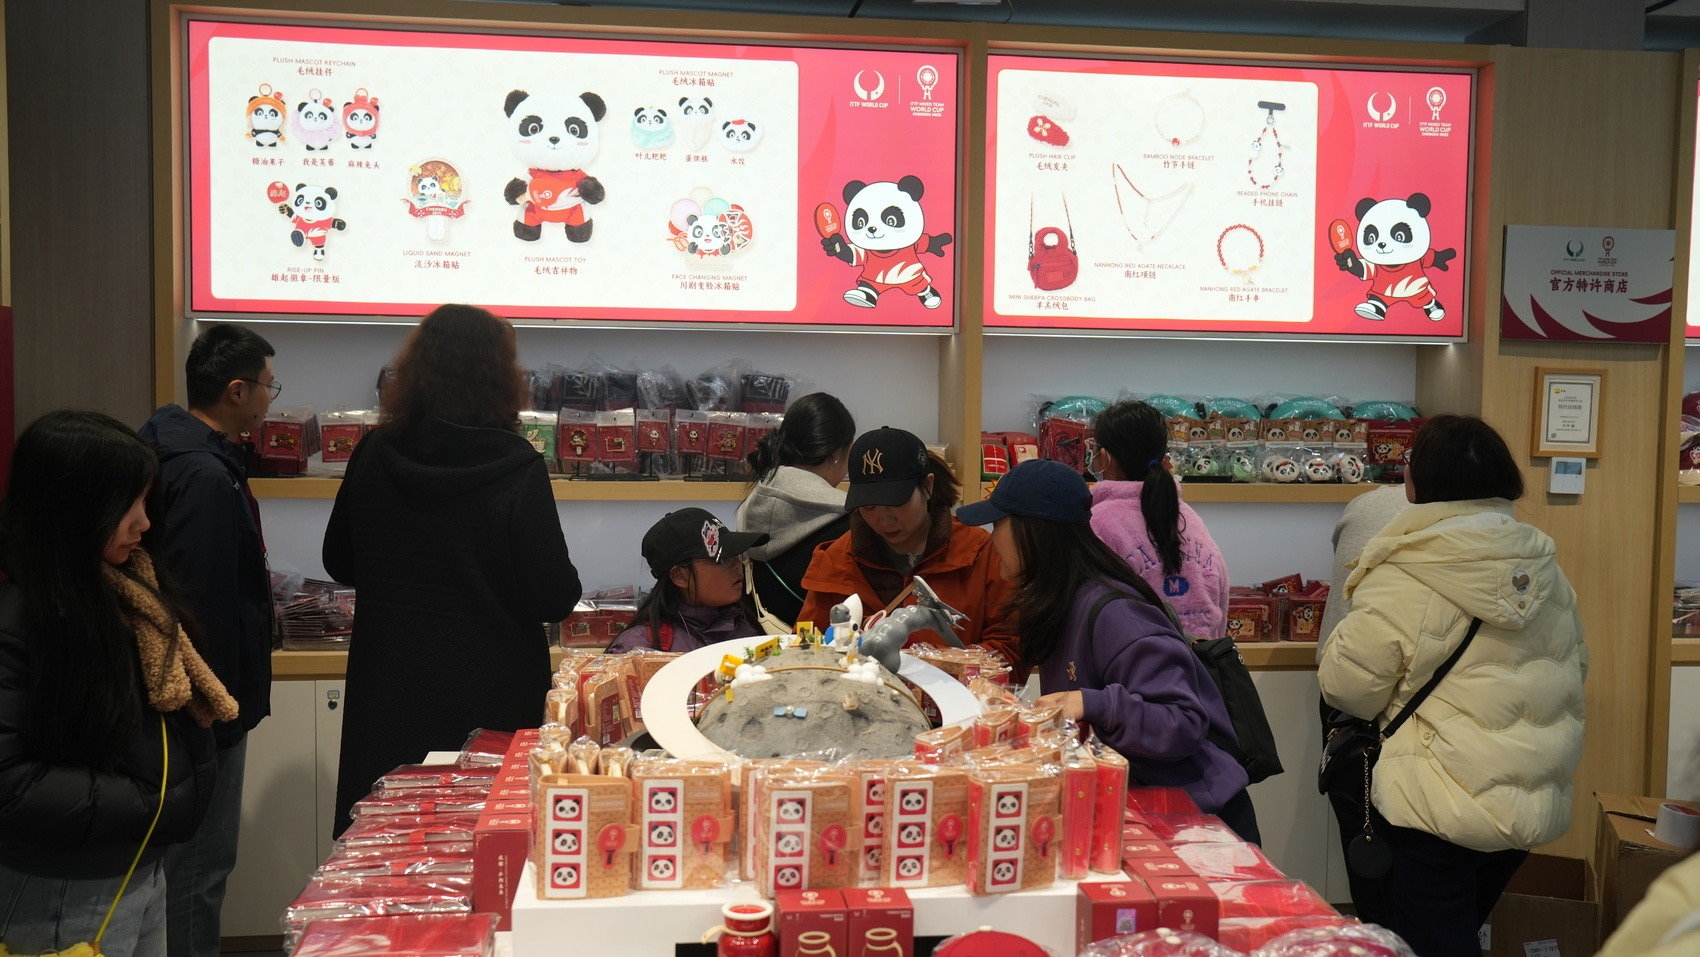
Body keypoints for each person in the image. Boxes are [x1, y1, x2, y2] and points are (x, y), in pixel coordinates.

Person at [1318, 415, 1587, 957]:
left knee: (1424, 940)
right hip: (1525, 800)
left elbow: (1348, 688)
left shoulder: (1405, 568)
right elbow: (1573, 671)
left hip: (1433, 804)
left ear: (1419, 481)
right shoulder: (1546, 570)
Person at [324, 304, 581, 835]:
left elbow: (339, 560)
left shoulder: (374, 452)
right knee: (483, 850)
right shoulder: (516, 464)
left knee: (389, 851)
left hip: (389, 690)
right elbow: (553, 596)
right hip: (492, 694)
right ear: (500, 377)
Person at [0, 411, 236, 957]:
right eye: (127, 505)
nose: (144, 523)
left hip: (139, 870)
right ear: (75, 508)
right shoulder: (25, 617)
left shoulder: (125, 592)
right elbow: (10, 784)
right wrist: (148, 802)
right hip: (62, 887)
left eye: (145, 501)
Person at [959, 458, 1258, 842]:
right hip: (1144, 813)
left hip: (1200, 824)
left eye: (998, 524)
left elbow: (1183, 721)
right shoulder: (1062, 602)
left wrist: (1091, 702)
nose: (991, 539)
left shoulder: (1114, 614)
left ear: (1032, 531)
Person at [137, 322, 277, 957]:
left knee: (190, 869)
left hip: (190, 697)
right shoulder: (203, 475)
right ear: (237, 390)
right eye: (269, 387)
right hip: (204, 705)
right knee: (199, 871)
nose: (271, 400)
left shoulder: (178, 450)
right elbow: (203, 604)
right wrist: (216, 705)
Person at [796, 427, 1019, 670]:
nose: (884, 520)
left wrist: (931, 668)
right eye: (869, 507)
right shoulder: (835, 560)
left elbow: (1010, 650)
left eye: (897, 502)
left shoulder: (979, 553)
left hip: (957, 694)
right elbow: (805, 650)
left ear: (928, 486)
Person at [1312, 481, 1409, 926]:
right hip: (1436, 712)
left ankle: (1377, 933)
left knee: (1367, 842)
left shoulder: (1369, 506)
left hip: (1354, 700)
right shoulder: (1512, 536)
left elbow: (1348, 682)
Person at [1089, 400, 1230, 639]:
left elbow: (1084, 613)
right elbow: (1221, 601)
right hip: (1201, 660)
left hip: (1130, 661)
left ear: (1104, 457)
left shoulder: (1097, 522)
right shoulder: (1189, 517)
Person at [737, 393, 857, 629]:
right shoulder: (850, 519)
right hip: (820, 645)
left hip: (756, 639)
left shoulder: (752, 504)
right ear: (836, 454)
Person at [607, 508, 768, 654]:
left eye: (736, 554)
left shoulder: (745, 626)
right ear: (680, 576)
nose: (737, 565)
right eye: (722, 559)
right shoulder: (636, 649)